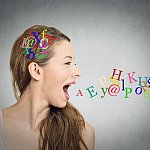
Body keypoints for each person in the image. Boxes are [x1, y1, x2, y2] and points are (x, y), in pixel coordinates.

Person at [0, 25, 95, 150]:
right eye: (67, 63)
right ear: (36, 71)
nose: (77, 72)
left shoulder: (83, 134)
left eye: (74, 63)